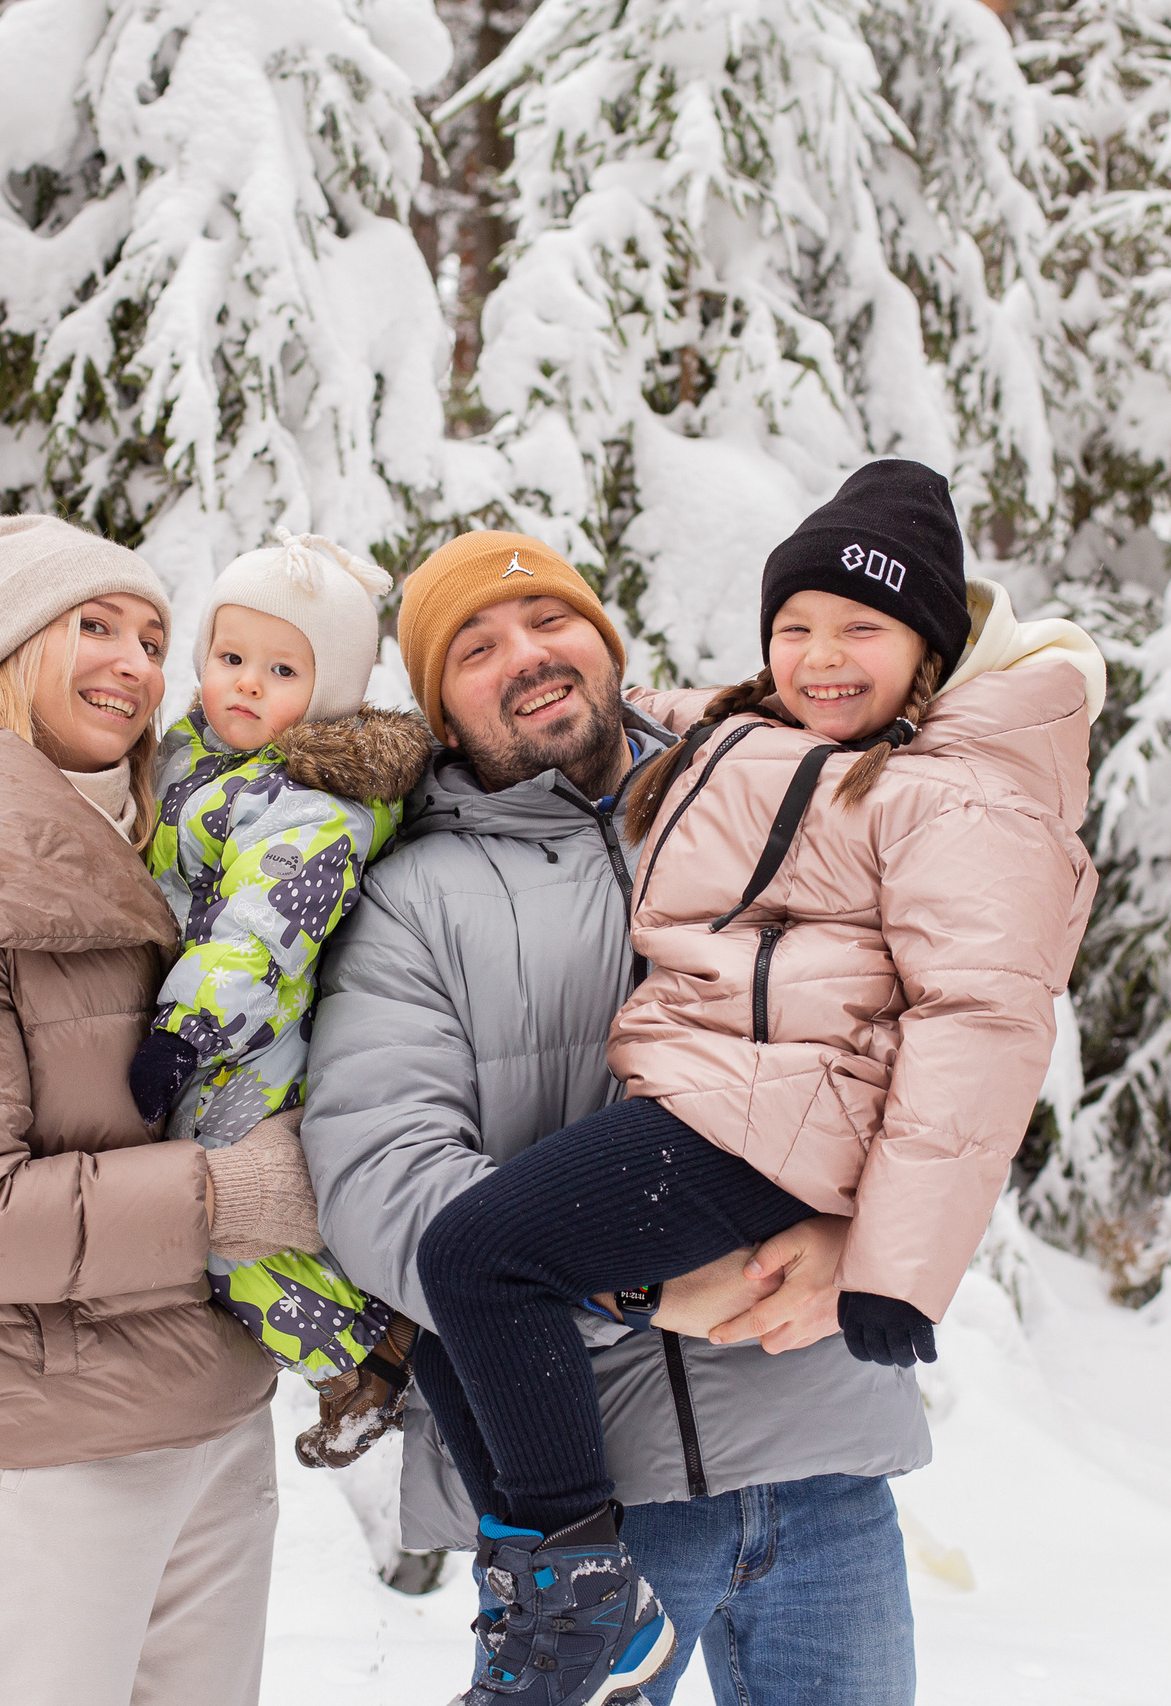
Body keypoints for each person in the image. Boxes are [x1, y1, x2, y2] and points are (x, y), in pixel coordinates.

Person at [405, 460, 1108, 1706]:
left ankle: (585, 1604)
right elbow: (661, 721)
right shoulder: (779, 739)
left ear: (932, 647)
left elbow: (983, 1022)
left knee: (475, 1257)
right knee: (455, 1292)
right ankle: (557, 1587)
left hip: (773, 1120)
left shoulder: (953, 789)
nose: (821, 657)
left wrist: (891, 1262)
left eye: (862, 629)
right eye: (794, 628)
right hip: (731, 1105)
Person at [300, 506, 956, 1706]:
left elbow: (935, 1057)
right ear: (441, 711)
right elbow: (378, 1183)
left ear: (604, 641)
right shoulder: (410, 899)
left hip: (821, 1453)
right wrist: (634, 1289)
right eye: (477, 646)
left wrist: (861, 1242)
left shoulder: (779, 795)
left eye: (550, 617)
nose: (528, 653)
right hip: (603, 1496)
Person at [0, 514, 325, 1706]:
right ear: (11, 650)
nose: (134, 663)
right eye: (93, 626)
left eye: (151, 635)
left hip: (207, 1405)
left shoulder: (167, 851)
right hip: (31, 1440)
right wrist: (235, 1194)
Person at [128, 533, 432, 1468]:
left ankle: (367, 1358)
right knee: (209, 1228)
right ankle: (359, 1345)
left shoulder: (316, 799)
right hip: (205, 1023)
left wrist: (182, 1034)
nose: (246, 685)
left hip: (248, 1043)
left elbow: (261, 936)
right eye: (230, 659)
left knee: (231, 1233)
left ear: (331, 689)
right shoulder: (191, 753)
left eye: (281, 669)